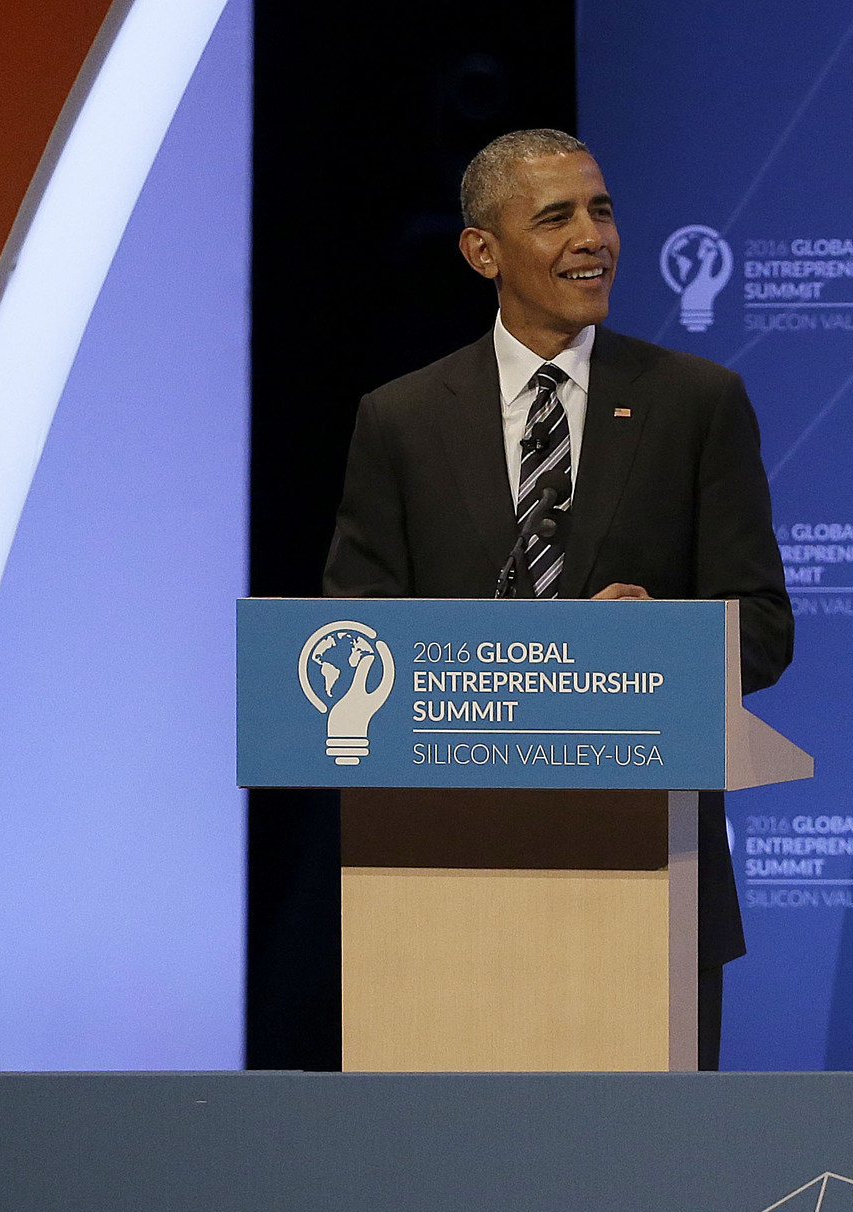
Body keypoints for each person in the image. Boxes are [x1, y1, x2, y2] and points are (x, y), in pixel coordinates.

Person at [323, 127, 793, 1070]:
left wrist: (656, 645)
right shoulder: (403, 419)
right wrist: (524, 664)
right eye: (556, 217)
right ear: (483, 251)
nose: (594, 236)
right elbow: (354, 638)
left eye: (602, 210)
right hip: (443, 883)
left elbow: (765, 630)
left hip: (652, 878)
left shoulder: (696, 403)